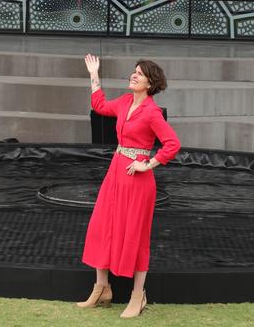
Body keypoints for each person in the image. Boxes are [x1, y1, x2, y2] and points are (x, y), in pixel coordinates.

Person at [78, 52, 181, 318]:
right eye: (133, 71)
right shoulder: (125, 102)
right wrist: (94, 76)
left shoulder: (152, 112)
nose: (133, 75)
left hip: (138, 180)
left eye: (139, 73)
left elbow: (172, 144)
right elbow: (100, 106)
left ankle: (138, 296)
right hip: (115, 173)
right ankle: (102, 288)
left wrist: (148, 164)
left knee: (135, 234)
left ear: (150, 83)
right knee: (102, 225)